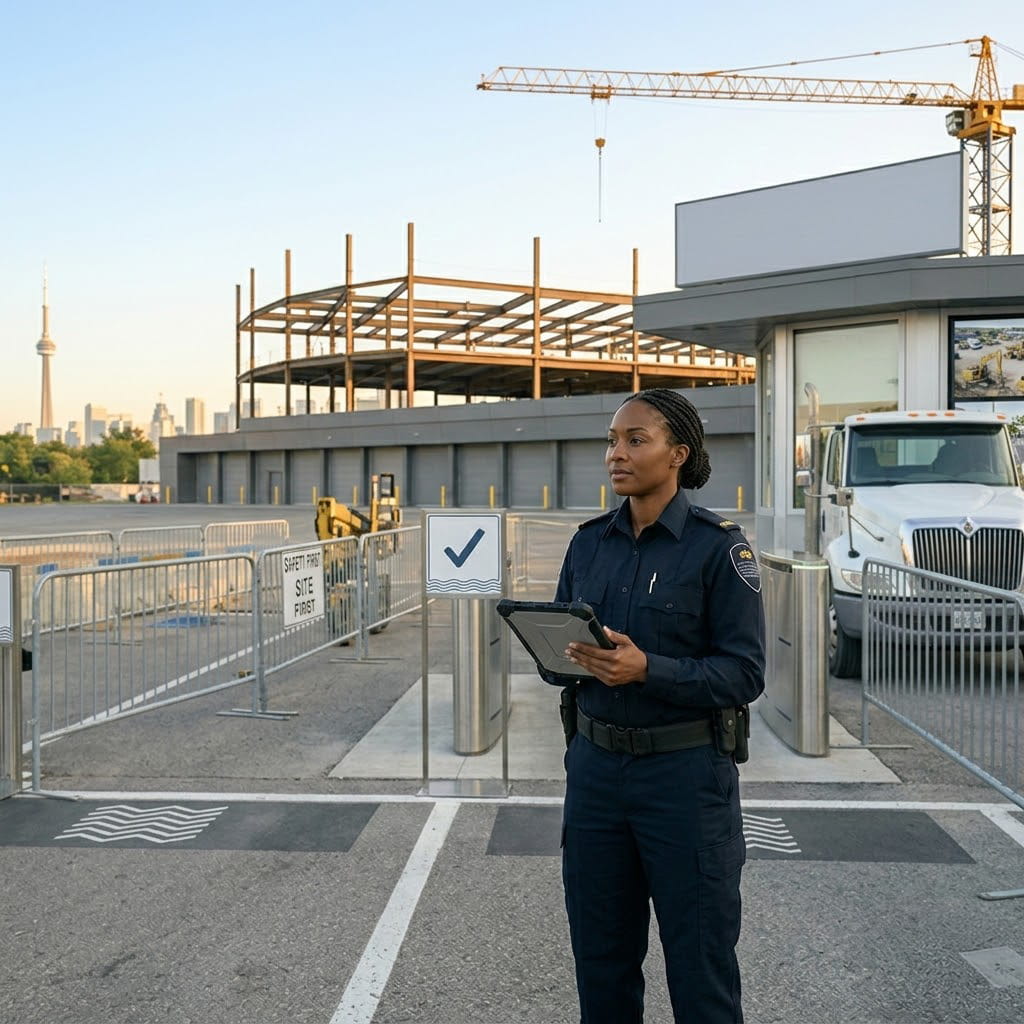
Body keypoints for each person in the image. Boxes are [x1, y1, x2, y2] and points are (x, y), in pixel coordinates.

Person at [546, 387, 765, 1024]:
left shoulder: (719, 548)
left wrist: (649, 669)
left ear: (678, 454)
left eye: (635, 440)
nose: (616, 453)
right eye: (613, 441)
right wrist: (561, 653)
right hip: (595, 775)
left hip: (684, 779)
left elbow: (744, 672)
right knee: (601, 965)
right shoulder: (588, 543)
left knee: (701, 974)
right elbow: (561, 654)